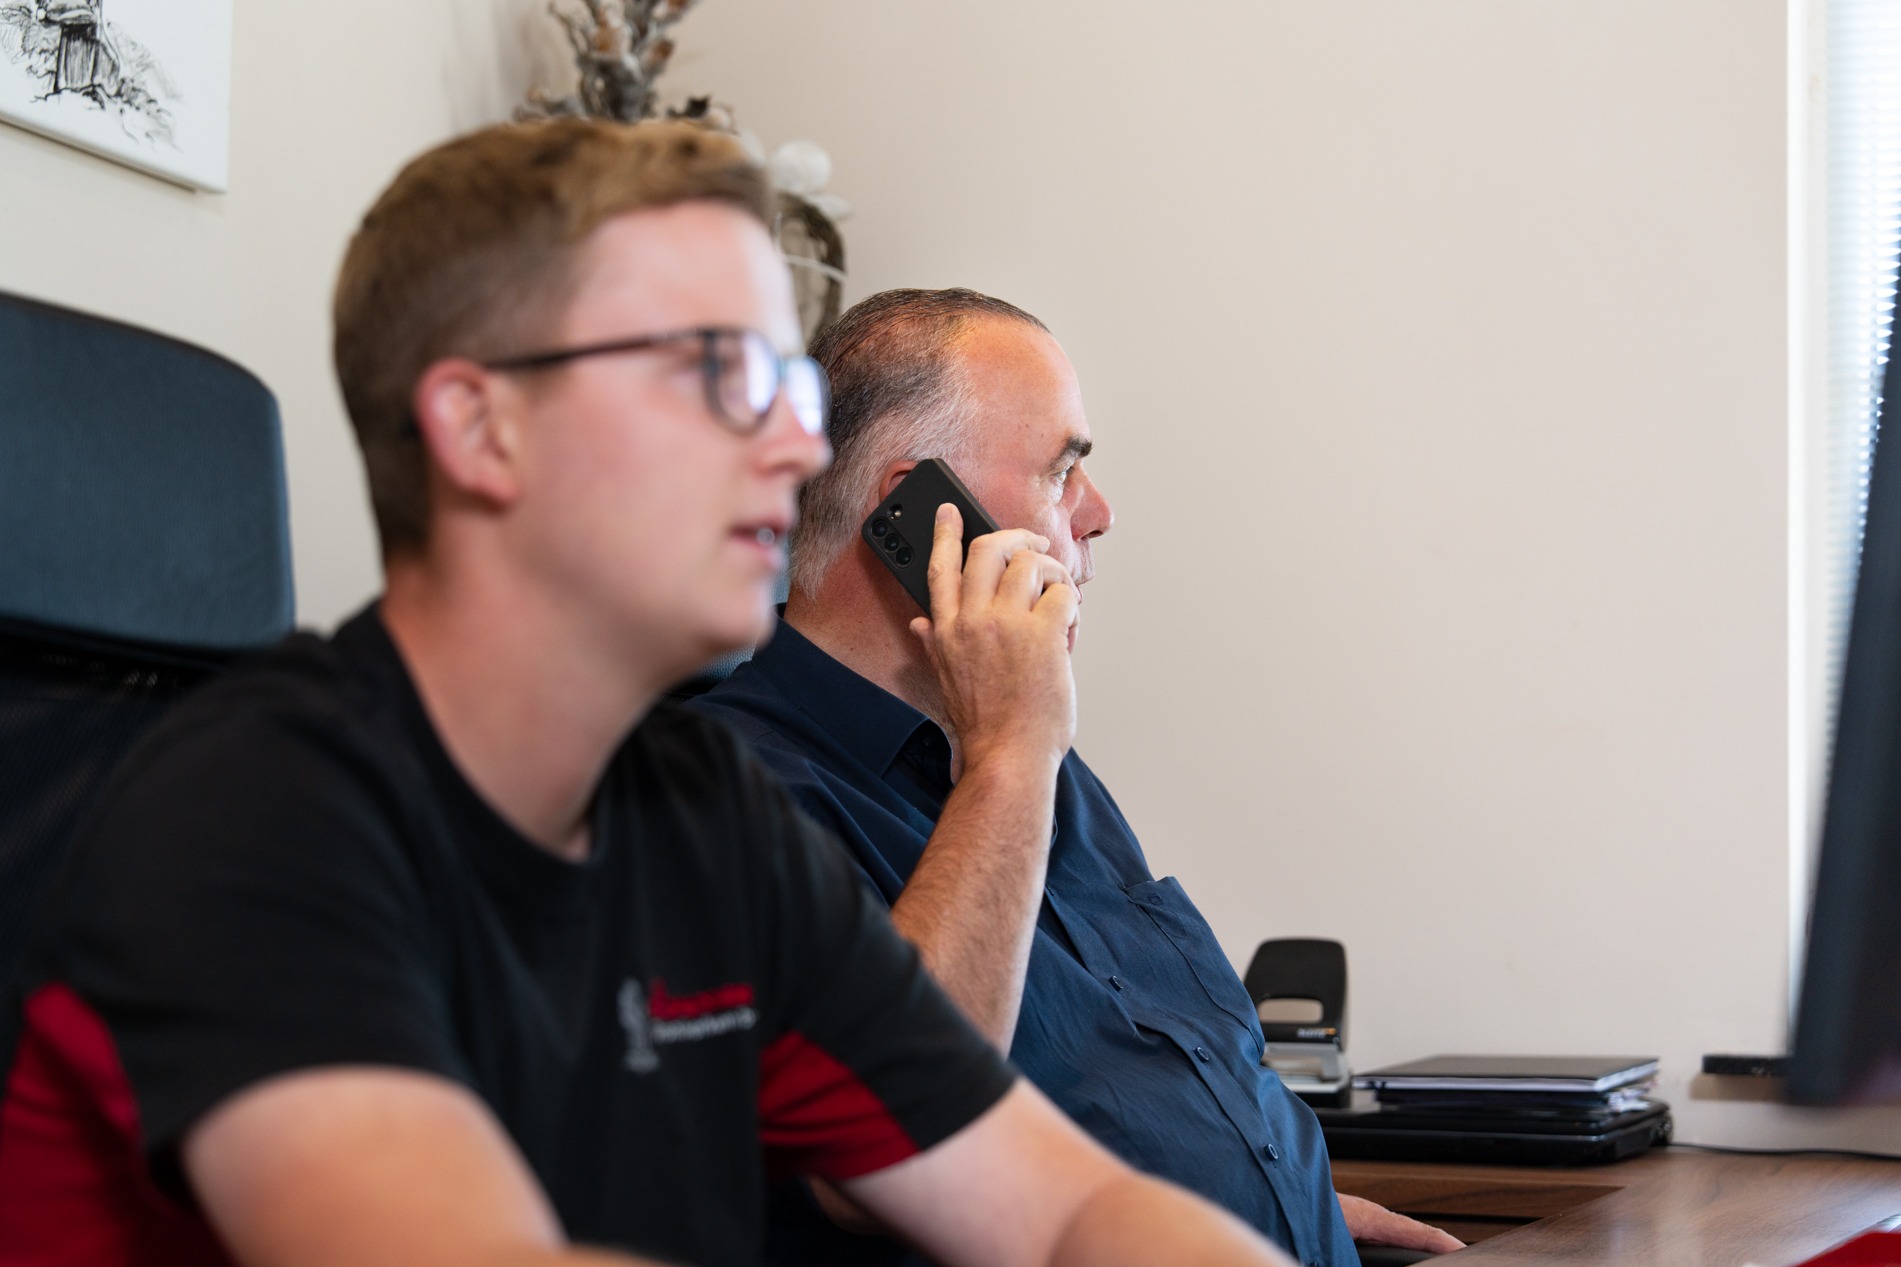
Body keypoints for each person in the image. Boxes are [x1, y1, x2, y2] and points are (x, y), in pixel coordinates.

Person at [0, 123, 1300, 1267]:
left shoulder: (702, 816)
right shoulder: (258, 818)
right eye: (713, 375)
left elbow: (1061, 1208)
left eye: (786, 387)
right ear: (482, 426)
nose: (798, 449)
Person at [690, 289, 1465, 1267]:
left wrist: (1271, 1196)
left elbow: (1115, 1090)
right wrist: (1011, 756)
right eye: (1061, 472)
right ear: (913, 517)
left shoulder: (1038, 766)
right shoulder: (716, 792)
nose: (1097, 514)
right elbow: (882, 1147)